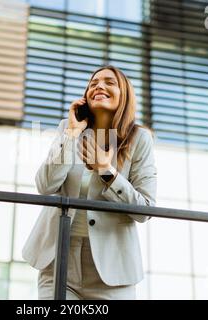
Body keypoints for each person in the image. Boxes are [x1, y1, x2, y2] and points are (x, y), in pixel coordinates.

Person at [22, 65, 157, 300]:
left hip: (112, 268)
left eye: (109, 82)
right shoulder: (69, 129)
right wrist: (72, 133)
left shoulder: (139, 139)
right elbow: (46, 186)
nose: (99, 87)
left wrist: (107, 171)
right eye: (93, 83)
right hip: (58, 257)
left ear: (124, 94)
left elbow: (144, 209)